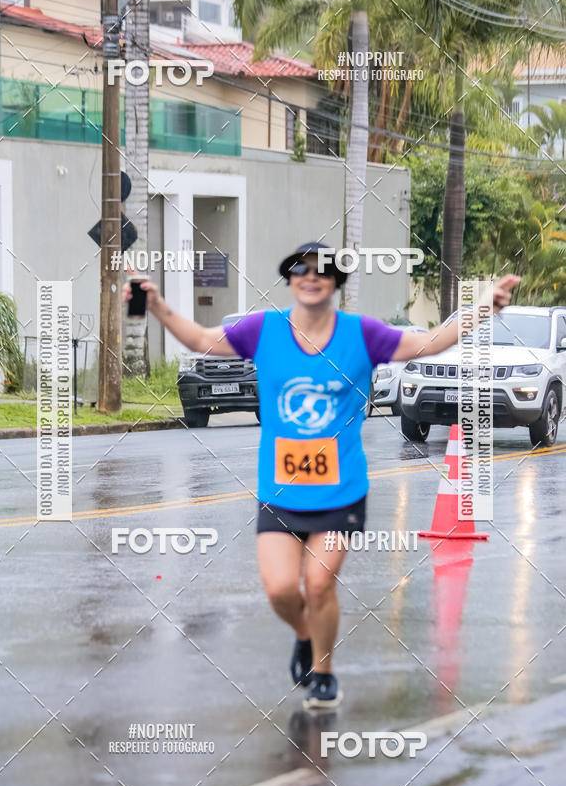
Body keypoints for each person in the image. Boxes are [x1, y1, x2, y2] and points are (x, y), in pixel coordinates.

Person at [124, 243, 519, 709]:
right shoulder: (263, 329)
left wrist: (482, 310)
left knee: (318, 584)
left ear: (335, 282)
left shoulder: (361, 335)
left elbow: (429, 342)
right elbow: (199, 339)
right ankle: (305, 635)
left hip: (340, 490)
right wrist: (157, 305)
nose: (310, 278)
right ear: (290, 279)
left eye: (322, 272)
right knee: (280, 592)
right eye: (300, 271)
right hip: (281, 491)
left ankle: (324, 673)